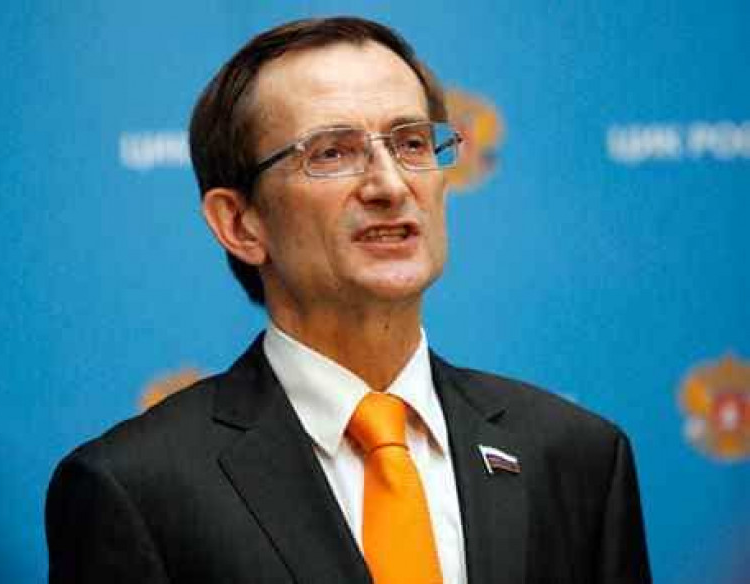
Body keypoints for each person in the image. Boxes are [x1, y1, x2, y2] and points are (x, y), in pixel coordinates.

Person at [46, 16, 652, 584]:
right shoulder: (135, 489)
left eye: (411, 143)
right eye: (331, 152)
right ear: (239, 223)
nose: (390, 185)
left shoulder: (576, 457)